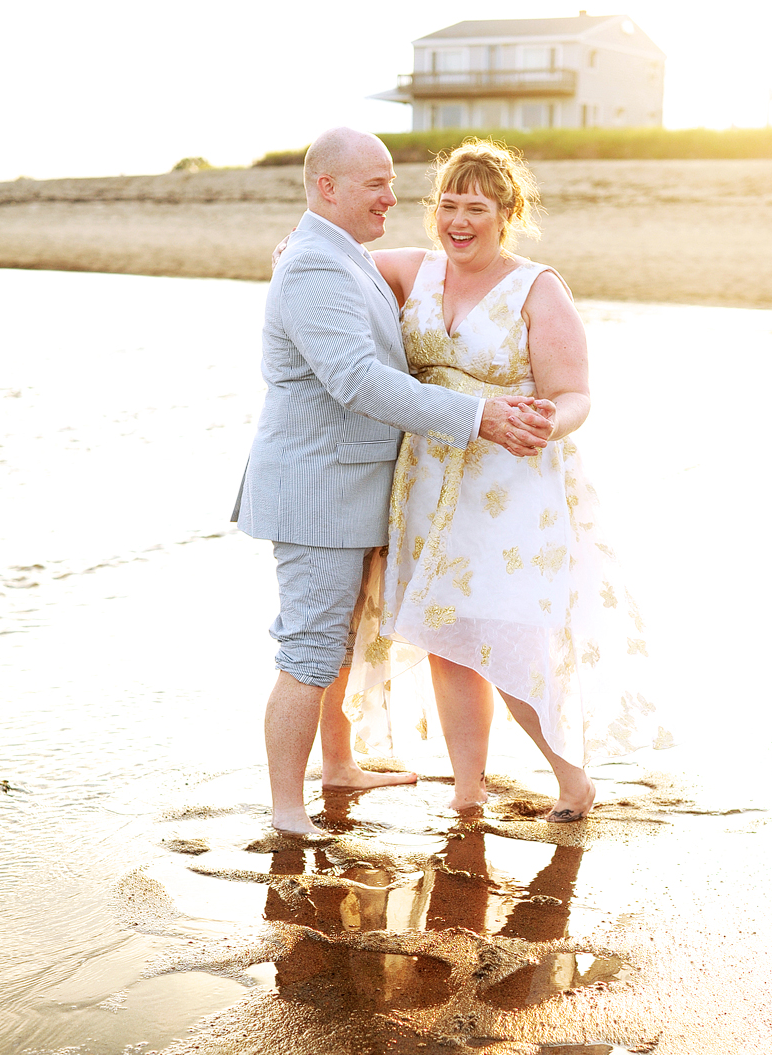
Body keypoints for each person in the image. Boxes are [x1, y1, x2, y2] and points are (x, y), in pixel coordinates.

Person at [232, 128, 553, 837]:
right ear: (329, 189)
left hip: (354, 486)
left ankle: (338, 767)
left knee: (335, 642)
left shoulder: (337, 255)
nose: (392, 195)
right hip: (319, 490)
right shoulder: (318, 266)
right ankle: (288, 813)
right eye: (376, 182)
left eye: (391, 181)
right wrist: (480, 417)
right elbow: (356, 379)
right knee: (310, 649)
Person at [338, 140, 672, 819]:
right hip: (427, 483)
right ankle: (469, 790)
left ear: (507, 213)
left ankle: (572, 777)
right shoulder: (416, 270)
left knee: (504, 636)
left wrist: (547, 424)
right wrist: (297, 249)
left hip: (510, 488)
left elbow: (575, 393)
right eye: (448, 205)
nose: (459, 221)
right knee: (446, 636)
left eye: (477, 208)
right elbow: (335, 261)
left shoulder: (535, 286)